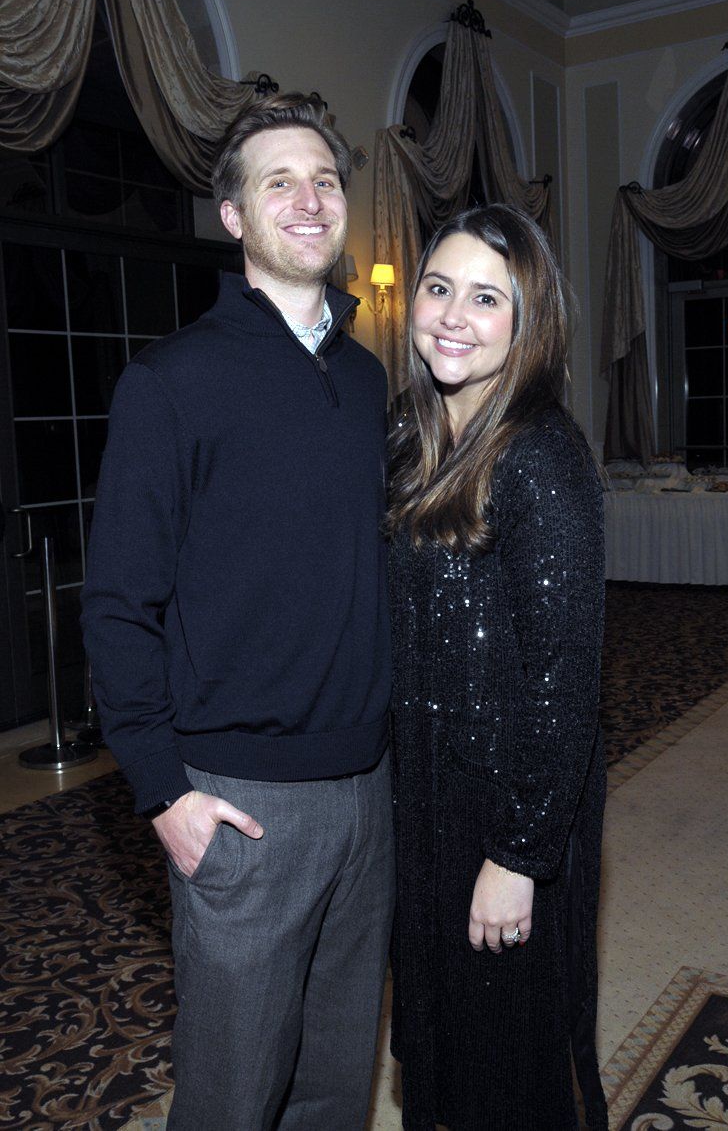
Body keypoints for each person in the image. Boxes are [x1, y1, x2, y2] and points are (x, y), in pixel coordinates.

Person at [81, 93, 394, 1131]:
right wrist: (163, 790)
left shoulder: (366, 380)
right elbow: (119, 602)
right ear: (232, 218)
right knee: (230, 1094)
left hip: (367, 791)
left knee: (334, 1082)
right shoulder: (171, 381)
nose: (309, 201)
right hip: (241, 799)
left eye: (325, 180)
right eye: (278, 182)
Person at [386, 204, 608, 1130]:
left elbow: (566, 682)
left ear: (529, 324)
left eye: (487, 298)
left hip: (508, 810)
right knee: (441, 1040)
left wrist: (519, 855)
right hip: (430, 796)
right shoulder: (415, 438)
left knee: (509, 1065)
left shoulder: (539, 456)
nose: (451, 315)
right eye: (439, 288)